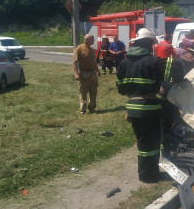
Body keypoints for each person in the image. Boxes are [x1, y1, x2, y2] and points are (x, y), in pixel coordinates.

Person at [116, 28, 184, 183]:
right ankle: (149, 176)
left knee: (142, 142)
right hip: (149, 109)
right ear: (149, 44)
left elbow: (121, 89)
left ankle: (146, 173)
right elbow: (173, 74)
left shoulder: (124, 62)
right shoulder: (153, 62)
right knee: (151, 144)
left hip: (132, 109)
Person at [73, 34, 101, 115]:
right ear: (88, 40)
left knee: (93, 91)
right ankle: (83, 110)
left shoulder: (91, 49)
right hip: (83, 73)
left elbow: (94, 62)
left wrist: (98, 71)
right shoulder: (79, 48)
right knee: (83, 92)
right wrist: (76, 74)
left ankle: (92, 108)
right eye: (93, 39)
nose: (94, 41)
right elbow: (74, 62)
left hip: (92, 73)